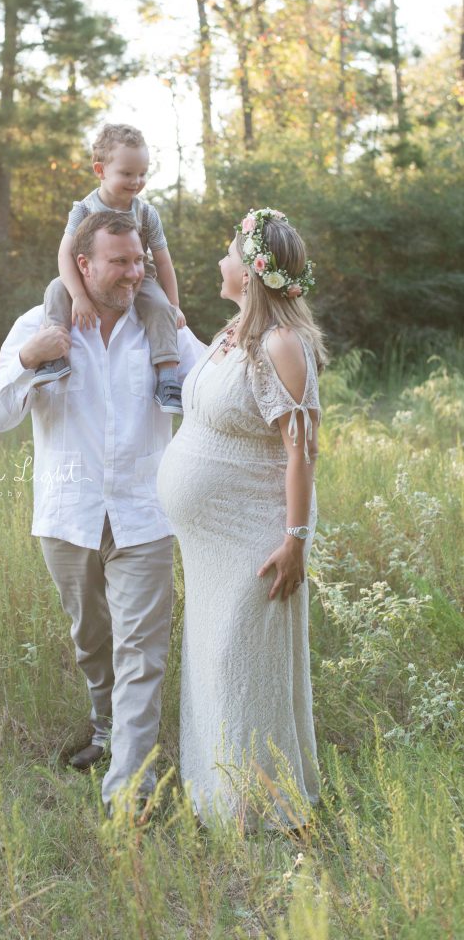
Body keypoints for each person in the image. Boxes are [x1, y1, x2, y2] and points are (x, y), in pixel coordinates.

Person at [0, 210, 205, 813]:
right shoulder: (40, 323)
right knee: (92, 640)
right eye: (121, 262)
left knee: (143, 654)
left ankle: (127, 793)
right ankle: (104, 726)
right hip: (68, 513)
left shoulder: (162, 328)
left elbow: (216, 386)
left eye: (140, 260)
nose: (137, 272)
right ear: (84, 265)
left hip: (145, 515)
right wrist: (29, 360)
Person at [156, 207, 327, 832]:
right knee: (212, 659)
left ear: (253, 271)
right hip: (209, 544)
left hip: (255, 535)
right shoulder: (235, 336)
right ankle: (218, 794)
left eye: (230, 253)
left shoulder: (283, 344)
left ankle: (260, 809)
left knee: (241, 663)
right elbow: (217, 392)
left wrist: (295, 541)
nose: (220, 262)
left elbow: (301, 449)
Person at [31, 123, 186, 415]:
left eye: (142, 173)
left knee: (158, 305)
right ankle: (54, 356)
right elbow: (65, 253)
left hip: (138, 279)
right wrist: (78, 295)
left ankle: (167, 378)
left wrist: (174, 305)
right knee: (55, 290)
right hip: (86, 280)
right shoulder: (84, 209)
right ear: (100, 170)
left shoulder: (146, 213)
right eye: (127, 174)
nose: (136, 181)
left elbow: (163, 260)